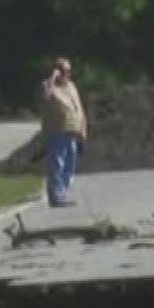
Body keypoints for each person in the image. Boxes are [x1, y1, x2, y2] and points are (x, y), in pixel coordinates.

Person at [40, 57, 88, 207]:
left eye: (67, 70)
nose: (66, 73)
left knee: (70, 164)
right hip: (57, 131)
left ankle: (62, 193)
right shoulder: (48, 86)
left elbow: (79, 107)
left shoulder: (71, 86)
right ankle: (56, 196)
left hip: (72, 131)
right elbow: (45, 98)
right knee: (57, 164)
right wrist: (52, 79)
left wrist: (83, 128)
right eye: (62, 70)